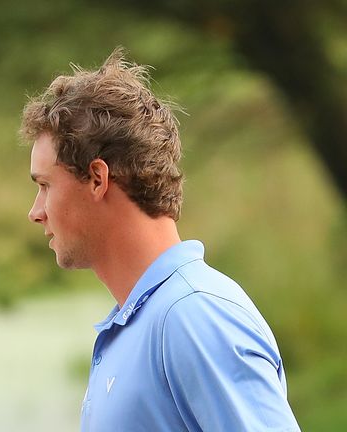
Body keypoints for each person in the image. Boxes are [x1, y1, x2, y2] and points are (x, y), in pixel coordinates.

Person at [20, 48, 301, 431]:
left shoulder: (194, 317)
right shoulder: (145, 320)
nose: (36, 212)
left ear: (98, 179)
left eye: (45, 186)